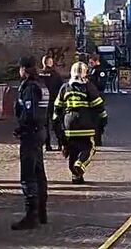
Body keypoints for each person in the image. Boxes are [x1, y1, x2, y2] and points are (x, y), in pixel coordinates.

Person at [53, 62, 107, 184]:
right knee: (89, 148)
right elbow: (99, 106)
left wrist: (58, 127)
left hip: (69, 126)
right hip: (85, 124)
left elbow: (57, 109)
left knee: (72, 150)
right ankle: (80, 163)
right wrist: (103, 122)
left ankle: (76, 177)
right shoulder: (89, 87)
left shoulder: (65, 87)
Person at [12, 56, 48, 230]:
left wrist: (21, 128)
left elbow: (30, 112)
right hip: (40, 132)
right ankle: (41, 213)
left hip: (31, 134)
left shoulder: (30, 88)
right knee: (39, 173)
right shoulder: (41, 84)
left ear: (24, 69)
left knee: (28, 175)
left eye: (19, 68)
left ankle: (31, 215)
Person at [38, 55, 64, 152]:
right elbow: (61, 88)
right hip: (54, 101)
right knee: (56, 123)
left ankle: (47, 145)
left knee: (45, 125)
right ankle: (60, 144)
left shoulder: (39, 75)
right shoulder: (56, 75)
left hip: (43, 103)